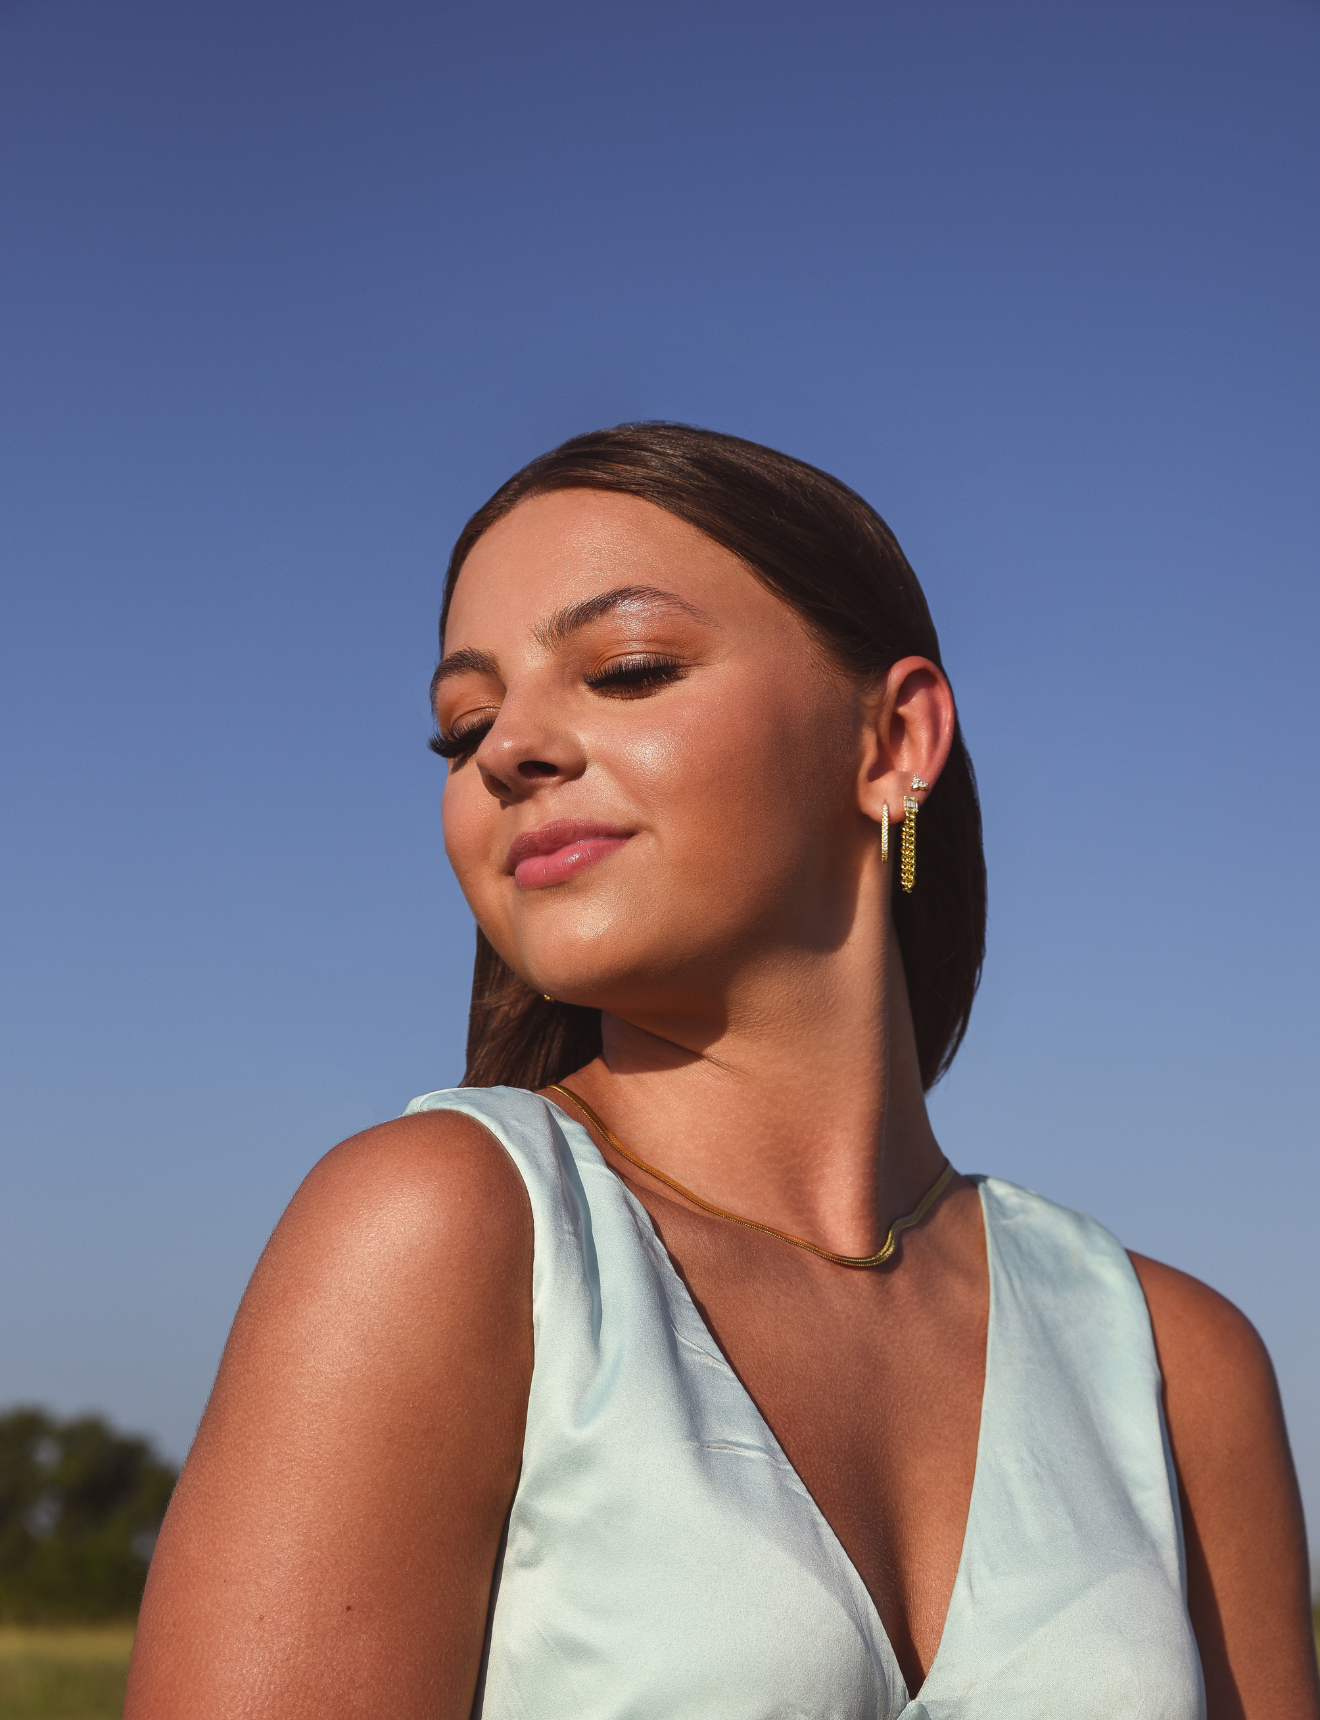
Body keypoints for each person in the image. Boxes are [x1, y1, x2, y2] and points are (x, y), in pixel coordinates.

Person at [125, 425, 1318, 1720]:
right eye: (460, 727)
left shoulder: (1178, 1365)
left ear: (894, 741)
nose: (507, 748)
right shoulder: (439, 1233)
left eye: (627, 669)